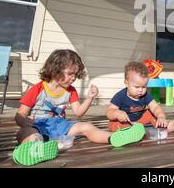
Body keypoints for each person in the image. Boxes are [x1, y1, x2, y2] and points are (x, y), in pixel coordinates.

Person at [13, 49, 144, 167]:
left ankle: (113, 138)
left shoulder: (70, 91)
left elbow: (79, 112)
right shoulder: (38, 89)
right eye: (70, 74)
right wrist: (25, 122)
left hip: (60, 125)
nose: (74, 78)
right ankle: (34, 149)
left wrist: (90, 97)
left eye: (75, 74)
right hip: (38, 124)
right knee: (27, 133)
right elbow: (20, 115)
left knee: (86, 126)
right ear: (55, 69)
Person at [107, 61, 174, 133]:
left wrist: (161, 116)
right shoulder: (120, 96)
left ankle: (164, 127)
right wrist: (117, 113)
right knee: (113, 124)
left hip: (140, 120)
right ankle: (128, 132)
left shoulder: (146, 95)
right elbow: (109, 112)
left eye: (144, 86)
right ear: (126, 83)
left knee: (151, 113)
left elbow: (155, 107)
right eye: (137, 87)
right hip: (126, 122)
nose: (140, 90)